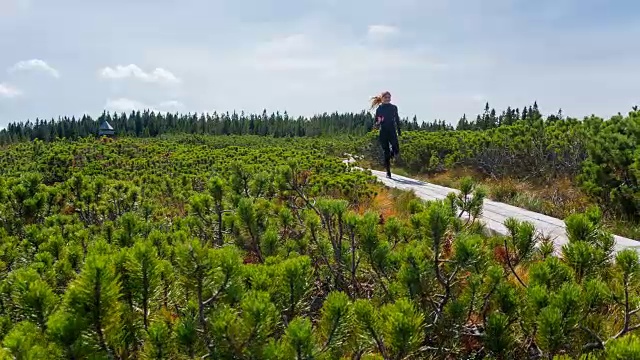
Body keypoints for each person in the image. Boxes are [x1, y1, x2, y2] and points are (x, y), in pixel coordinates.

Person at [371, 91, 401, 179]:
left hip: (392, 131)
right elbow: (375, 124)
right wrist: (378, 122)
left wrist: (399, 131)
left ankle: (391, 154)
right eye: (386, 97)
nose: (388, 99)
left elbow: (397, 120)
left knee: (396, 149)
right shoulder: (379, 109)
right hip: (383, 132)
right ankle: (388, 172)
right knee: (386, 153)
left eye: (389, 97)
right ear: (382, 99)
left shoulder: (394, 108)